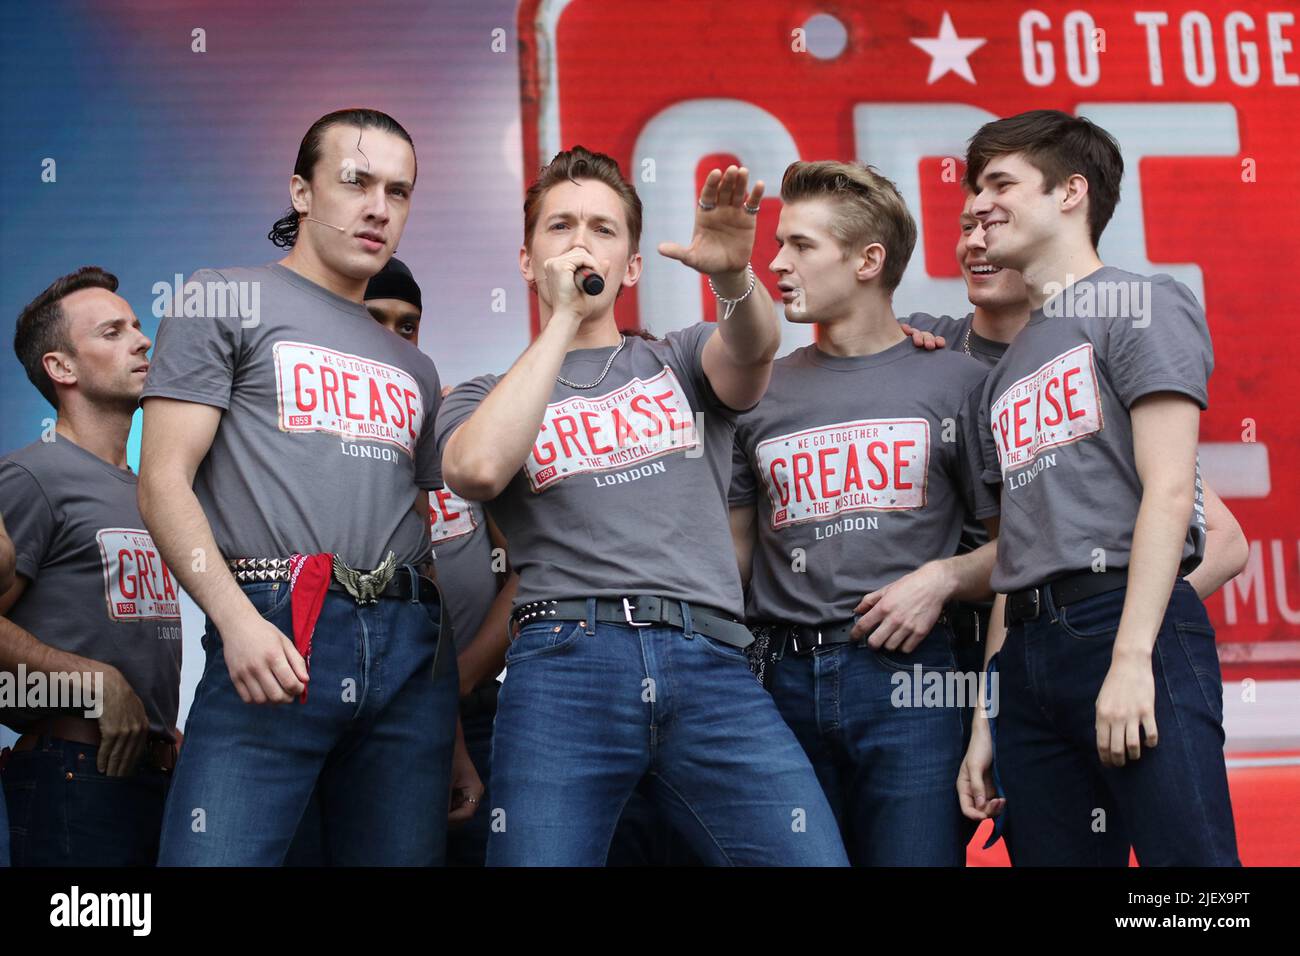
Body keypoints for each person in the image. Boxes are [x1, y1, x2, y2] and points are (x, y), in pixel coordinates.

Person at [436, 145, 849, 866]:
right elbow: (476, 469)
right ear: (528, 262)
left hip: (710, 660)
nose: (579, 242)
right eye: (559, 227)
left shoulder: (678, 358)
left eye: (602, 228)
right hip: (564, 663)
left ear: (631, 266)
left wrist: (730, 275)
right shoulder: (480, 396)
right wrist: (564, 322)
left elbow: (753, 350)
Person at [139, 108, 460, 866]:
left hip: (412, 642)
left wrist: (451, 732)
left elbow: (421, 528)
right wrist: (236, 620)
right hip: (278, 623)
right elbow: (161, 483)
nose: (379, 206)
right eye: (355, 181)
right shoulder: (220, 297)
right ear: (301, 191)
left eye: (399, 191)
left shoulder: (415, 366)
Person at [901, 189, 1249, 852]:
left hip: (1104, 637)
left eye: (993, 220)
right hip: (1004, 668)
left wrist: (1120, 633)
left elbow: (1221, 539)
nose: (977, 239)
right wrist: (990, 714)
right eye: (966, 225)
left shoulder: (1115, 326)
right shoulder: (938, 354)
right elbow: (1015, 557)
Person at [728, 161, 997, 865]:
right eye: (778, 243)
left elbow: (1020, 550)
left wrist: (940, 577)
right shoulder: (755, 393)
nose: (777, 263)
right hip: (776, 683)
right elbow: (731, 568)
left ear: (869, 260)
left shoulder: (958, 382)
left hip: (915, 683)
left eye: (801, 245)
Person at [0, 266, 182, 865]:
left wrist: (159, 727)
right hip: (72, 773)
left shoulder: (153, 491)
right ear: (62, 368)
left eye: (136, 324)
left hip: (152, 777)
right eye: (112, 331)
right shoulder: (32, 476)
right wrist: (92, 681)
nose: (142, 339)